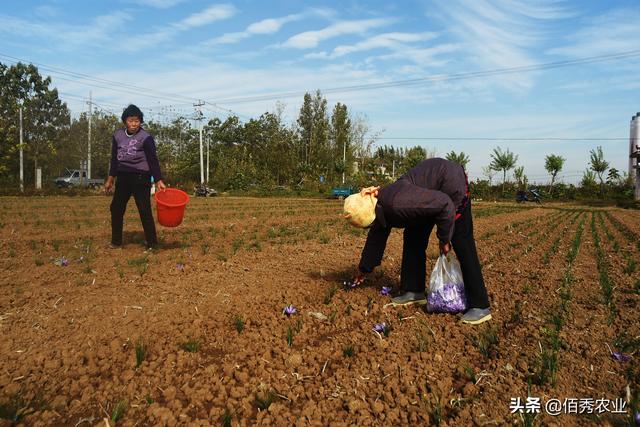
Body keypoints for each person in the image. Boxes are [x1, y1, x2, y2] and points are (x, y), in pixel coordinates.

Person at [343, 157, 491, 325]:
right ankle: (413, 290)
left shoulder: (396, 204)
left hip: (450, 186)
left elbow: (446, 205)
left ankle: (480, 306)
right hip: (428, 194)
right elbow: (376, 238)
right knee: (414, 235)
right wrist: (364, 268)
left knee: (461, 240)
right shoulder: (378, 205)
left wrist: (444, 239)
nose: (370, 228)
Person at [104, 104, 166, 249]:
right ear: (125, 121)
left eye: (137, 121)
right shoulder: (118, 135)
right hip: (123, 177)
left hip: (141, 177)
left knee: (144, 209)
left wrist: (158, 180)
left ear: (140, 122)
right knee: (116, 208)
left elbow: (153, 160)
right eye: (131, 120)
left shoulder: (146, 137)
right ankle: (116, 241)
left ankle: (152, 243)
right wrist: (110, 179)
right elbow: (114, 159)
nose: (134, 124)